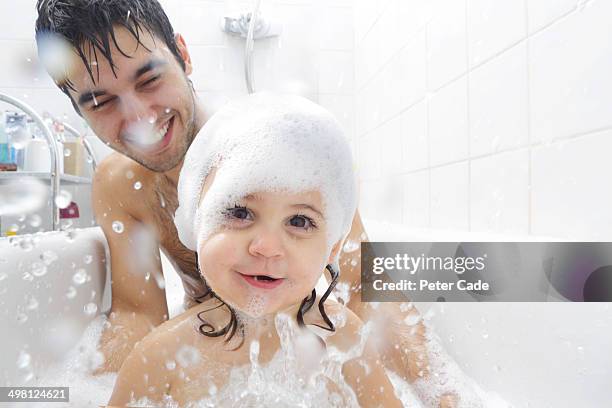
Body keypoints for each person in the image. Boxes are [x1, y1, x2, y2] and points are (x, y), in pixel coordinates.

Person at [35, 1, 463, 406]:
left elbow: (366, 290)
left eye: (149, 80)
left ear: (182, 54)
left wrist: (440, 391)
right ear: (78, 109)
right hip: (204, 361)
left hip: (304, 359)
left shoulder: (287, 146)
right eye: (101, 101)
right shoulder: (120, 183)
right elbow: (136, 314)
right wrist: (101, 386)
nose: (138, 117)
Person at [107, 92, 402, 407]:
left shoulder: (344, 339)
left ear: (332, 249)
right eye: (239, 212)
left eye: (299, 221)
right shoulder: (161, 357)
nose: (267, 248)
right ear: (198, 223)